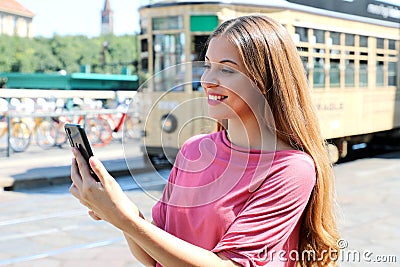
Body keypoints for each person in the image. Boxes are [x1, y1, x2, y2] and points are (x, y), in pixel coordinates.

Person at [69, 15, 340, 266]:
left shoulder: (291, 169)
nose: (207, 80)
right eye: (208, 65)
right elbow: (154, 258)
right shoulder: (193, 149)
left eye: (227, 70)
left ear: (265, 80)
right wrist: (123, 213)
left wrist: (126, 220)